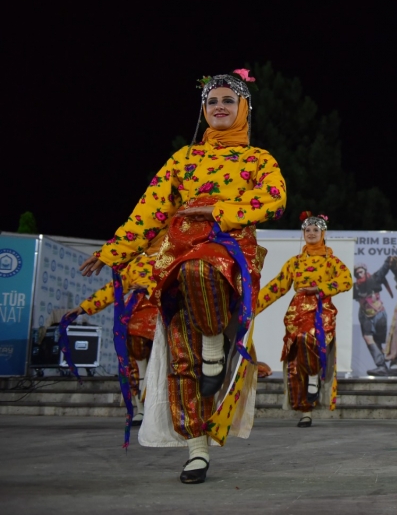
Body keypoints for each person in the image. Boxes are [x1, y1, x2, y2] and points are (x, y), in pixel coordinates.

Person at [80, 69, 286, 484]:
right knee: (180, 356)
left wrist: (216, 211)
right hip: (177, 254)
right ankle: (196, 450)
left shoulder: (259, 159)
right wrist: (113, 251)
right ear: (203, 111)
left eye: (229, 100)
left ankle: (215, 343)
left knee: (198, 269)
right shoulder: (184, 159)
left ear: (244, 107)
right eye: (212, 102)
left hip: (229, 254)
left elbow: (275, 199)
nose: (220, 108)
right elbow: (150, 210)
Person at [255, 212, 353, 427]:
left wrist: (320, 288)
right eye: (307, 230)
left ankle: (314, 378)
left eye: (315, 230)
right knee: (295, 356)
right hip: (297, 311)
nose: (310, 233)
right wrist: (252, 308)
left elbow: (346, 281)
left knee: (310, 339)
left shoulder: (332, 261)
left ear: (323, 233)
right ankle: (305, 410)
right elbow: (277, 286)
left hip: (321, 309)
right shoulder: (295, 262)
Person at [67, 236, 162, 426]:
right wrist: (84, 307)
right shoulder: (135, 263)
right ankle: (141, 409)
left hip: (163, 309)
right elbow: (114, 288)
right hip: (136, 312)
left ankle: (163, 409)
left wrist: (150, 287)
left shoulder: (173, 256)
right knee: (133, 356)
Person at [353, 260, 395, 376]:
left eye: (360, 272)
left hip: (379, 314)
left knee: (378, 341)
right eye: (357, 274)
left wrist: (388, 260)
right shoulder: (355, 287)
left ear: (365, 271)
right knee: (368, 338)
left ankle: (385, 365)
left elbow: (383, 270)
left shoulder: (374, 278)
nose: (359, 275)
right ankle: (381, 365)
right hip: (365, 316)